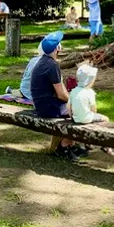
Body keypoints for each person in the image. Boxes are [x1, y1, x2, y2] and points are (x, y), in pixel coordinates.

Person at [30, 31, 81, 160]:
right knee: (78, 111)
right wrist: (75, 100)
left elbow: (60, 90)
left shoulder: (42, 62)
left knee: (73, 108)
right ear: (57, 48)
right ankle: (64, 145)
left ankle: (70, 144)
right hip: (48, 108)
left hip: (41, 105)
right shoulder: (52, 66)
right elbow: (61, 94)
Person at [70, 63, 114, 156]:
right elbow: (94, 109)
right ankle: (105, 144)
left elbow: (69, 107)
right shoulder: (89, 92)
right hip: (86, 118)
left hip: (75, 118)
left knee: (86, 121)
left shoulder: (73, 91)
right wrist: (92, 114)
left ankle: (86, 144)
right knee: (105, 119)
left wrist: (73, 116)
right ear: (90, 80)